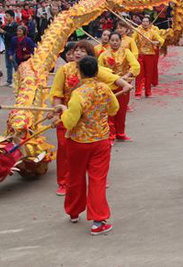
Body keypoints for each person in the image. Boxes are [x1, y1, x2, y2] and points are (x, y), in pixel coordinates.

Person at [50, 41, 131, 196]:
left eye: (82, 50)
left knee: (93, 151)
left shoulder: (93, 69)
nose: (78, 53)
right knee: (64, 150)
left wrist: (124, 84)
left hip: (89, 119)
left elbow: (112, 77)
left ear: (89, 55)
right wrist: (56, 112)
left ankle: (97, 179)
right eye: (76, 50)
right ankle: (64, 182)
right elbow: (57, 93)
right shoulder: (64, 70)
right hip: (67, 116)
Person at [55, 56, 119, 235]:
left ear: (80, 72)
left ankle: (74, 212)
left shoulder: (78, 94)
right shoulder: (105, 89)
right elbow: (114, 109)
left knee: (75, 177)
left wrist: (63, 110)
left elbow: (69, 121)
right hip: (100, 140)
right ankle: (98, 222)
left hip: (78, 142)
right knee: (98, 181)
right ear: (97, 71)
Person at [98, 32, 140, 142]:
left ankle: (120, 133)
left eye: (117, 40)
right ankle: (110, 135)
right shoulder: (103, 55)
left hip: (124, 86)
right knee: (110, 111)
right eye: (112, 40)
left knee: (121, 111)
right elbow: (99, 70)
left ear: (121, 41)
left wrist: (127, 75)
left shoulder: (126, 52)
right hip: (108, 87)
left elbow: (135, 65)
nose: (115, 42)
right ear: (109, 41)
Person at [133, 16, 164, 98]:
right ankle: (138, 93)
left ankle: (148, 92)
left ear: (150, 23)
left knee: (148, 74)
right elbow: (132, 40)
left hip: (150, 55)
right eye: (143, 21)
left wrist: (156, 42)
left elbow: (161, 40)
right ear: (141, 23)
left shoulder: (153, 32)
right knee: (139, 75)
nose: (145, 23)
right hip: (140, 55)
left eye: (147, 22)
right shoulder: (138, 31)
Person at [2, 10, 18, 85]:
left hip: (13, 47)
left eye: (7, 16)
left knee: (15, 64)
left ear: (12, 17)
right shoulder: (7, 25)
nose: (6, 17)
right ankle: (9, 80)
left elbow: (13, 36)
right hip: (7, 46)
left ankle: (17, 81)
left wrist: (4, 32)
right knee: (8, 64)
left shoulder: (16, 25)